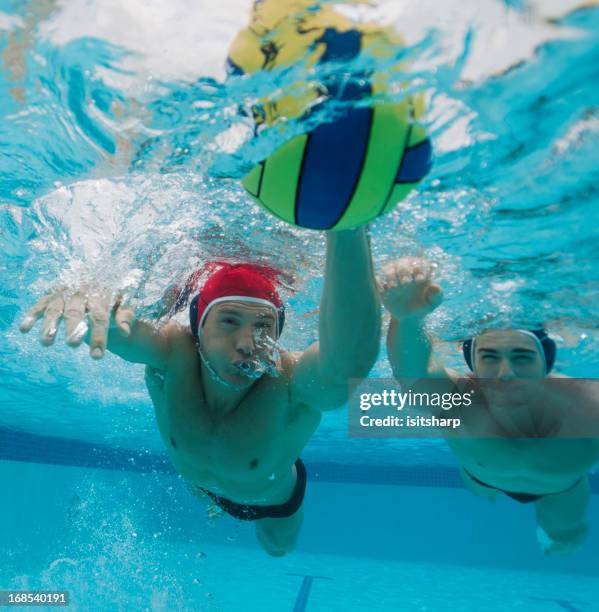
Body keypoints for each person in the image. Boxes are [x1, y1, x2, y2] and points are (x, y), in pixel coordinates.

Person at [20, 229, 381, 556]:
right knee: (205, 493)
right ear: (198, 326)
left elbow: (343, 364)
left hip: (270, 498)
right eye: (229, 321)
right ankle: (212, 501)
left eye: (263, 326)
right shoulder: (173, 351)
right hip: (203, 485)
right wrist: (87, 301)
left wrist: (348, 226)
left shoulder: (289, 381)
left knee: (277, 548)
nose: (247, 344)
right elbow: (118, 331)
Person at [378, 256, 599, 555]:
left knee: (565, 533)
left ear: (544, 365)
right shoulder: (460, 400)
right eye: (490, 358)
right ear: (473, 367)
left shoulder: (587, 405)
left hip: (560, 489)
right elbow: (412, 371)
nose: (505, 374)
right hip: (482, 479)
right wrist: (407, 320)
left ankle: (557, 539)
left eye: (522, 357)